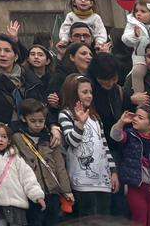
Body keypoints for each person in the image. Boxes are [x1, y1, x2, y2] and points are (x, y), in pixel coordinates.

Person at [59, 74, 119, 215]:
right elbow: (72, 142)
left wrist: (113, 171)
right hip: (82, 179)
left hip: (103, 177)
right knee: (88, 216)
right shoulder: (66, 114)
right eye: (84, 92)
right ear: (74, 93)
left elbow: (105, 147)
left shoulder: (95, 117)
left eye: (90, 92)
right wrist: (79, 124)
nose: (89, 96)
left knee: (104, 216)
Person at [11, 98, 69, 226]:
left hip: (52, 192)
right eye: (33, 121)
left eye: (41, 121)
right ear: (23, 118)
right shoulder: (17, 138)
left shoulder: (50, 138)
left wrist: (66, 190)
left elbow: (60, 166)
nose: (37, 124)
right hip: (32, 193)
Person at [109, 105, 150, 226]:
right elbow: (115, 136)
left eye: (140, 117)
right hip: (135, 187)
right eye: (135, 115)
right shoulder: (130, 135)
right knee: (139, 218)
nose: (135, 119)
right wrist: (121, 122)